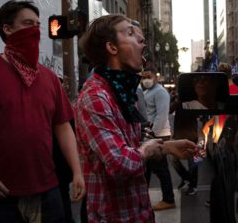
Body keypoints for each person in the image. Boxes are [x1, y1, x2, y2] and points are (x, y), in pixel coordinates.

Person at [0, 0, 85, 223]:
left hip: (48, 190)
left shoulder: (49, 78)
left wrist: (76, 171)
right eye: (28, 24)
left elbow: (62, 127)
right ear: (7, 29)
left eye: (38, 25)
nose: (35, 31)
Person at [74, 14, 197, 223]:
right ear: (112, 48)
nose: (141, 40)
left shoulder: (122, 90)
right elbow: (121, 163)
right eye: (130, 33)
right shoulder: (95, 97)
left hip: (138, 213)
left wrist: (166, 147)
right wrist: (147, 150)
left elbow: (130, 145)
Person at [141, 67, 176, 210]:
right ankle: (142, 199)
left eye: (148, 76)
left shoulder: (160, 92)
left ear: (156, 77)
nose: (146, 79)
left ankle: (168, 199)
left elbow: (162, 115)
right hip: (151, 133)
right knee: (148, 168)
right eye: (143, 77)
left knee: (160, 167)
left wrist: (152, 133)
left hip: (158, 133)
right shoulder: (147, 92)